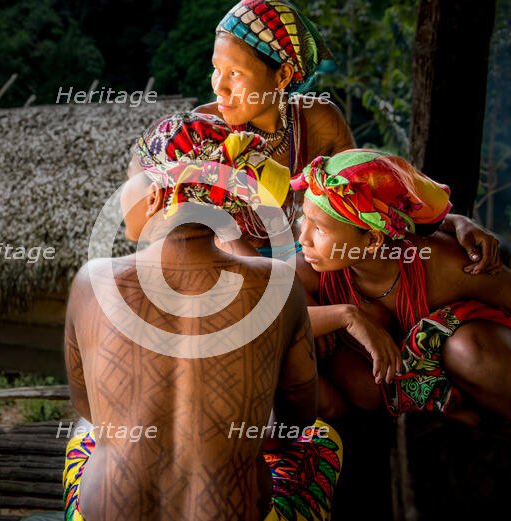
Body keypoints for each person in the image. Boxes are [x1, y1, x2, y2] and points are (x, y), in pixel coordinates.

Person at [62, 112, 342, 521]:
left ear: (157, 196)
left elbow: (87, 405)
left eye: (129, 180)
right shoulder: (278, 286)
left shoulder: (92, 282)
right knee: (323, 438)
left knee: (84, 433)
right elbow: (296, 419)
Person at [194, 0, 502, 274]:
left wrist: (456, 222)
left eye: (235, 73)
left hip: (314, 266)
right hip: (236, 272)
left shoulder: (320, 120)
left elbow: (367, 203)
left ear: (283, 75)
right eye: (216, 69)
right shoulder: (203, 130)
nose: (219, 86)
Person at [292, 149, 511, 423]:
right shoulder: (310, 269)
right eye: (305, 219)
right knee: (361, 386)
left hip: (483, 374)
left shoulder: (445, 264)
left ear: (372, 240)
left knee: (467, 349)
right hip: (427, 405)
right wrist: (345, 316)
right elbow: (257, 308)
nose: (304, 239)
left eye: (320, 229)